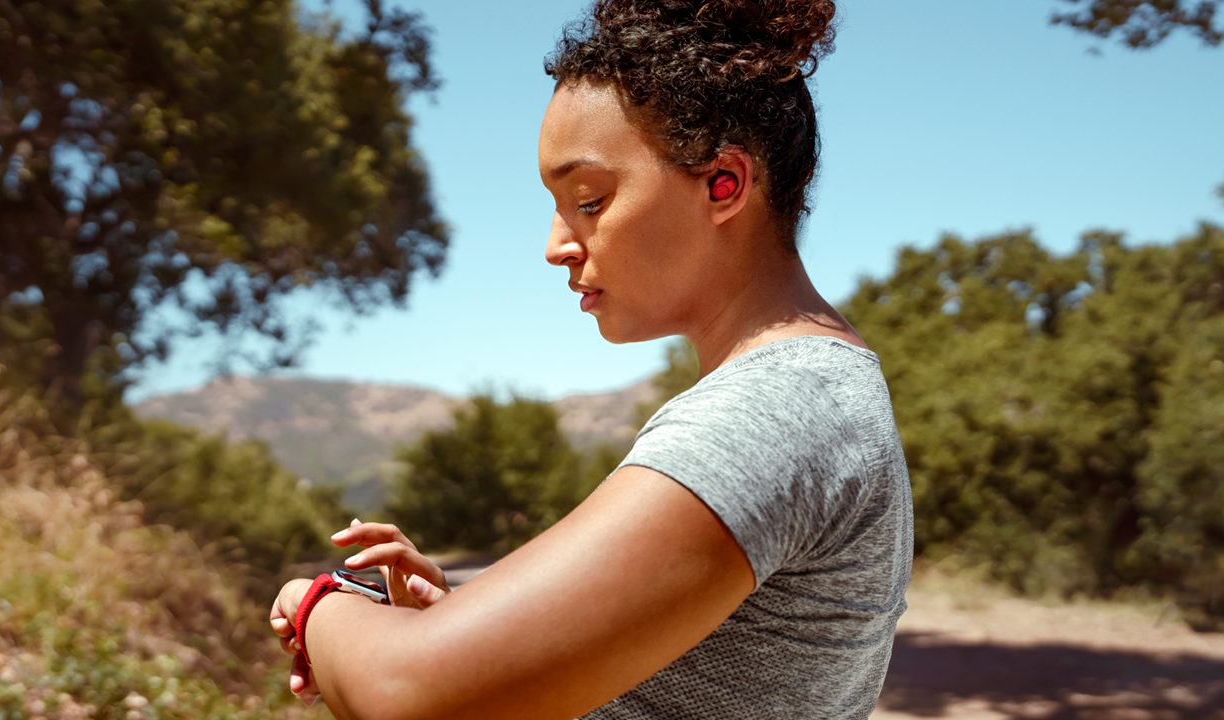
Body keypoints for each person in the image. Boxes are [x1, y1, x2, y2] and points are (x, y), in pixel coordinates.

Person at [269, 0, 913, 717]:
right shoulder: (816, 393)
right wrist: (466, 626)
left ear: (722, 183)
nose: (557, 245)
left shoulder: (781, 409)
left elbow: (409, 694)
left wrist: (319, 605)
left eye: (590, 199)